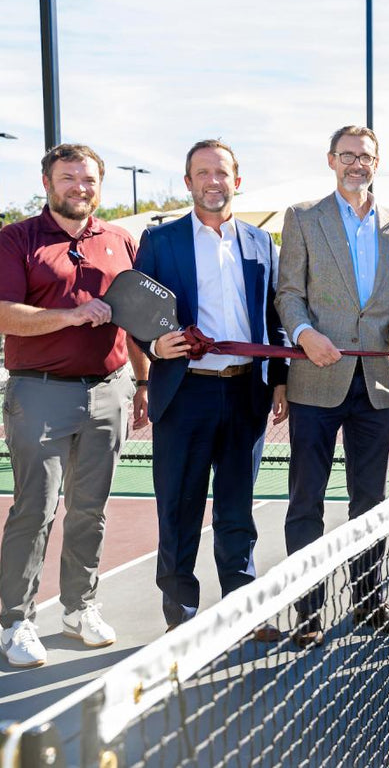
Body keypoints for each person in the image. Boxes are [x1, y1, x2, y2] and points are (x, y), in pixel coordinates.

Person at [0, 143, 149, 668]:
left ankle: (79, 608)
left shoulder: (120, 240)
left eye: (90, 179)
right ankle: (17, 621)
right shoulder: (15, 241)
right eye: (69, 177)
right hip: (40, 392)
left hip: (110, 390)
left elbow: (137, 317)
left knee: (90, 509)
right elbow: (0, 316)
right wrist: (69, 316)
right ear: (48, 183)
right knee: (35, 508)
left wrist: (142, 384)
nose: (80, 187)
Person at [134, 140, 289, 636]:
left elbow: (274, 316)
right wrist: (156, 346)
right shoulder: (161, 242)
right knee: (179, 509)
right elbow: (138, 311)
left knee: (237, 508)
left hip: (247, 393)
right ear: (188, 183)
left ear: (236, 181)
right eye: (202, 173)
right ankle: (180, 622)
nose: (213, 181)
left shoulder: (263, 243)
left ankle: (242, 612)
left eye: (221, 172)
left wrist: (280, 381)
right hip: (184, 394)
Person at [277, 124, 389, 641]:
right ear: (331, 160)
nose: (357, 163)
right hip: (316, 378)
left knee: (371, 504)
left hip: (376, 383)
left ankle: (369, 605)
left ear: (377, 163)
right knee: (307, 501)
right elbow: (288, 293)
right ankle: (309, 614)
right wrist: (304, 333)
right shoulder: (302, 218)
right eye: (348, 155)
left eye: (367, 156)